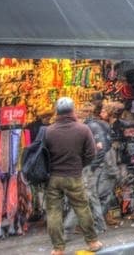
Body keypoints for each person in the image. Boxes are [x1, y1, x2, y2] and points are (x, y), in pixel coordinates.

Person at [43, 97, 103, 255]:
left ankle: (58, 249)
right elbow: (91, 154)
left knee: (54, 212)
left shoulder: (49, 131)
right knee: (82, 208)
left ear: (57, 112)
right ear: (72, 110)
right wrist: (80, 165)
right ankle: (92, 242)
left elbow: (44, 155)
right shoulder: (83, 129)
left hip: (54, 177)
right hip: (74, 175)